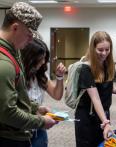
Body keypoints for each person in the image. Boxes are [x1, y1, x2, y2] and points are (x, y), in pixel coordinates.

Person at [0, 2, 56, 147]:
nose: (32, 40)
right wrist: (41, 121)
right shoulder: (4, 63)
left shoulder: (14, 51)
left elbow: (14, 95)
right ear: (15, 27)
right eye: (29, 35)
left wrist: (33, 107)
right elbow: (7, 113)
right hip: (8, 138)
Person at [74, 31, 116, 147]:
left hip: (103, 113)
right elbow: (95, 98)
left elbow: (106, 85)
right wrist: (106, 122)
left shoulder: (109, 65)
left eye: (107, 49)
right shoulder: (86, 68)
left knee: (103, 143)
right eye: (100, 50)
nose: (104, 53)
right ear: (92, 48)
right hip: (87, 117)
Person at [21, 37, 66, 147]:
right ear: (30, 58)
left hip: (39, 129)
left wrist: (59, 77)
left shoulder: (40, 75)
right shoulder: (18, 75)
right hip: (20, 129)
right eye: (40, 59)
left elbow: (57, 95)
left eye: (44, 58)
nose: (43, 62)